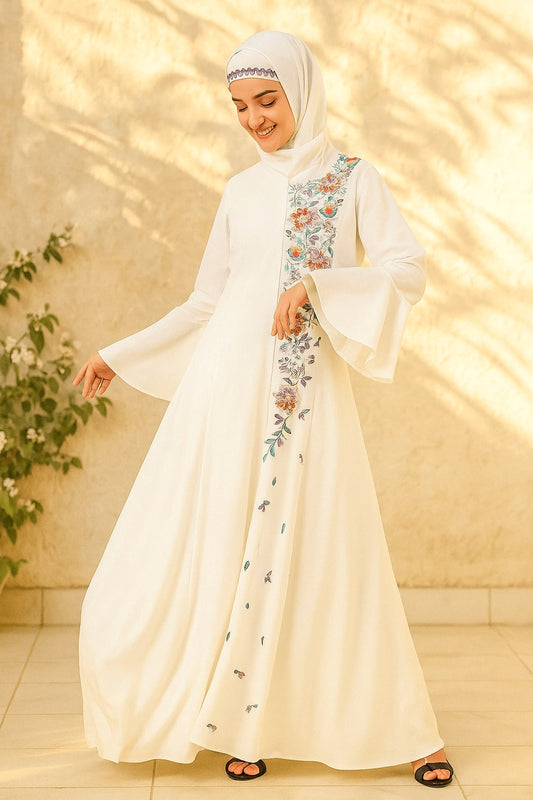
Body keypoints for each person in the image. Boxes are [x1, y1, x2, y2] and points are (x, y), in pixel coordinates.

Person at [74, 31, 453, 789]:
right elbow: (206, 302)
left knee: (328, 549)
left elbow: (407, 268)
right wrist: (121, 352)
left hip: (307, 399)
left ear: (300, 93)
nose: (253, 119)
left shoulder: (351, 179)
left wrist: (316, 286)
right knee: (225, 544)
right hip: (227, 396)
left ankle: (404, 729)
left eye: (267, 100)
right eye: (240, 105)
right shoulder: (240, 191)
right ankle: (239, 722)